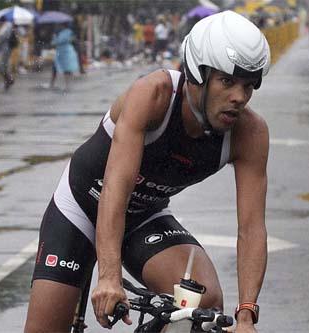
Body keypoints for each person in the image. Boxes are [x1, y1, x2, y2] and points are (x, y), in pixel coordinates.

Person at [24, 10, 270, 333]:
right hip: (84, 206)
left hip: (142, 216)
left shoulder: (249, 133)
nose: (239, 97)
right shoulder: (153, 95)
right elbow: (115, 187)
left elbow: (251, 228)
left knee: (202, 303)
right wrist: (109, 276)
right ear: (198, 73)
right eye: (227, 81)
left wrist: (246, 315)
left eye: (248, 85)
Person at [49, 23, 80, 92]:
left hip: (65, 53)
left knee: (67, 70)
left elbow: (57, 42)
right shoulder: (65, 33)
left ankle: (67, 86)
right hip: (62, 53)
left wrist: (55, 39)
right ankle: (67, 85)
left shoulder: (66, 33)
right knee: (65, 70)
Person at [0, 17, 17, 91]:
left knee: (1, 66)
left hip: (5, 49)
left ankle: (9, 80)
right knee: (3, 65)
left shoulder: (6, 27)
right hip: (6, 48)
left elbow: (2, 37)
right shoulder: (8, 27)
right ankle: (8, 80)